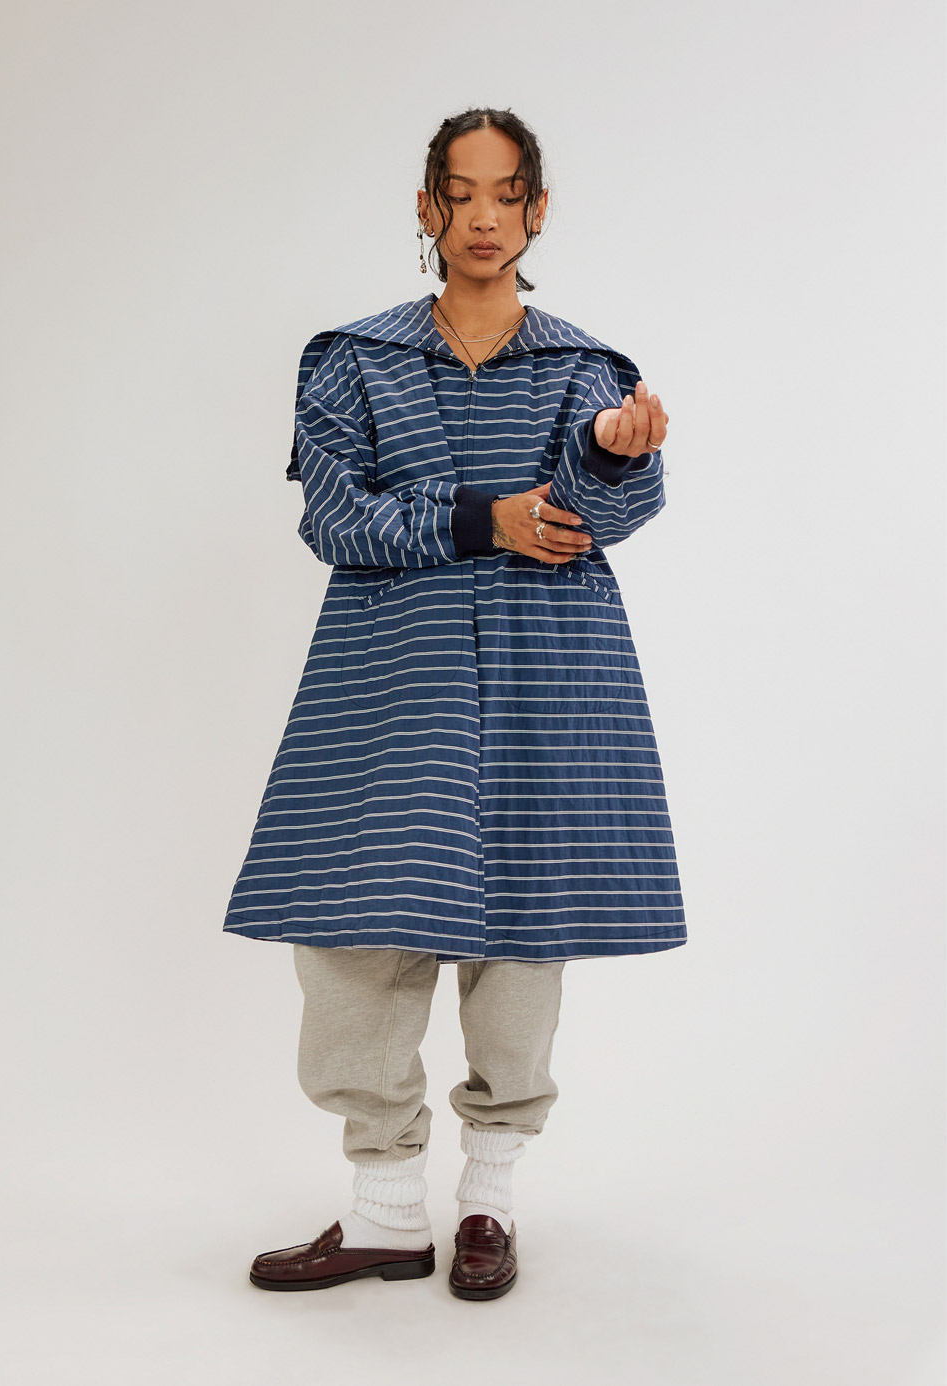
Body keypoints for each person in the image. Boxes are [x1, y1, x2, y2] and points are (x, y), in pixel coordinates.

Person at [223, 106, 687, 1300]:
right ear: (427, 207)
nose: (484, 216)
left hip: (547, 674)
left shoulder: (588, 368)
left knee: (523, 933)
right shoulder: (350, 358)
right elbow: (336, 518)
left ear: (537, 208)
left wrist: (609, 454)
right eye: (461, 192)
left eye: (506, 192)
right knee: (352, 933)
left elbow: (597, 520)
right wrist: (488, 519)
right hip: (389, 674)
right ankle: (384, 1211)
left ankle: (487, 1201)